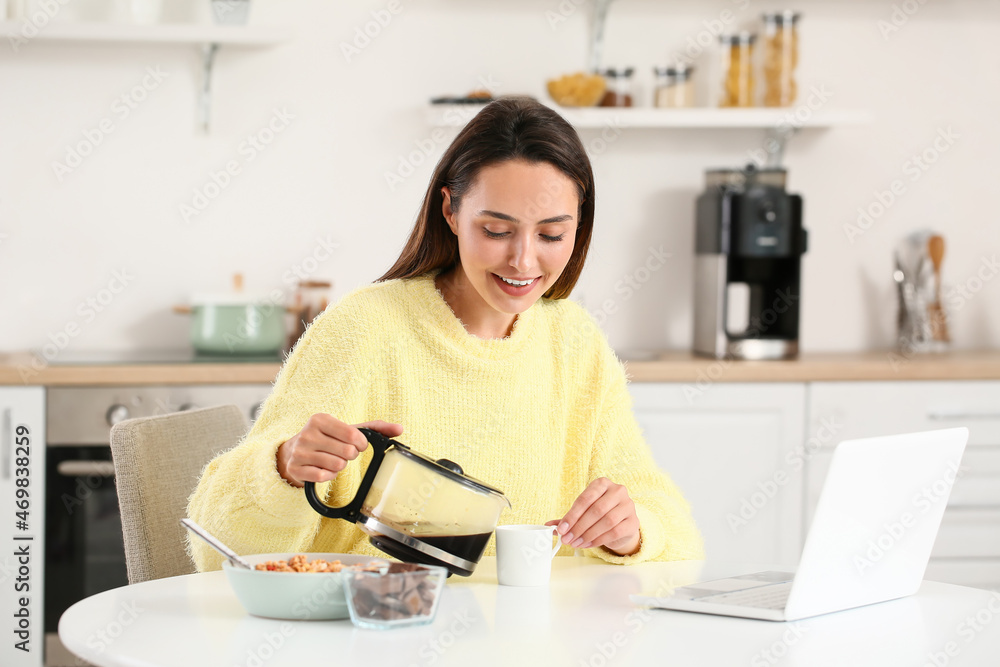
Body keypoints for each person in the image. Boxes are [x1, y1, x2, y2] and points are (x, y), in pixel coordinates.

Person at [187, 96, 703, 570]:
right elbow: (216, 546)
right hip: (368, 636)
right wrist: (281, 468)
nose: (523, 260)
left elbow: (677, 534)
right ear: (450, 211)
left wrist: (633, 529)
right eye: (496, 231)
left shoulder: (575, 342)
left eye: (551, 234)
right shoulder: (363, 329)